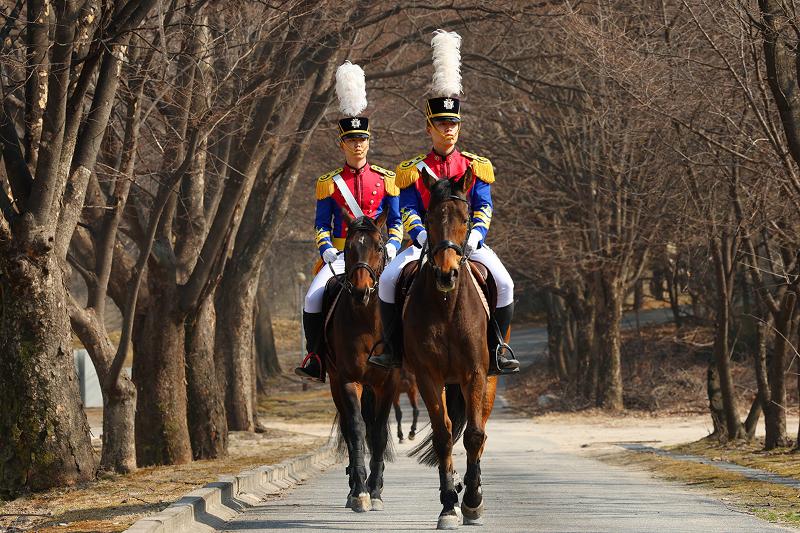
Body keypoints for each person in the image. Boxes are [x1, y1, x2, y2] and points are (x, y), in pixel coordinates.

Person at [368, 30, 519, 375]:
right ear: (428, 127)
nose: (448, 130)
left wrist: (478, 234)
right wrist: (420, 235)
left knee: (506, 283)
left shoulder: (475, 166)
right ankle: (392, 349)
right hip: (425, 243)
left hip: (467, 241)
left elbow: (483, 205)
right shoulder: (411, 170)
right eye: (441, 124)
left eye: (452, 123)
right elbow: (406, 208)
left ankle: (497, 348)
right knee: (389, 280)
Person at [295, 62, 402, 382]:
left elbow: (395, 220)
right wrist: (327, 249)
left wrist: (394, 245)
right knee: (313, 296)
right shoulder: (329, 183)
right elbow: (320, 225)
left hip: (378, 256)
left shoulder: (387, 180)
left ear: (369, 142)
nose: (357, 145)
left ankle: (403, 351)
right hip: (342, 256)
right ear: (342, 144)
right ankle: (314, 355)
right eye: (351, 140)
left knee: (405, 291)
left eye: (362, 140)